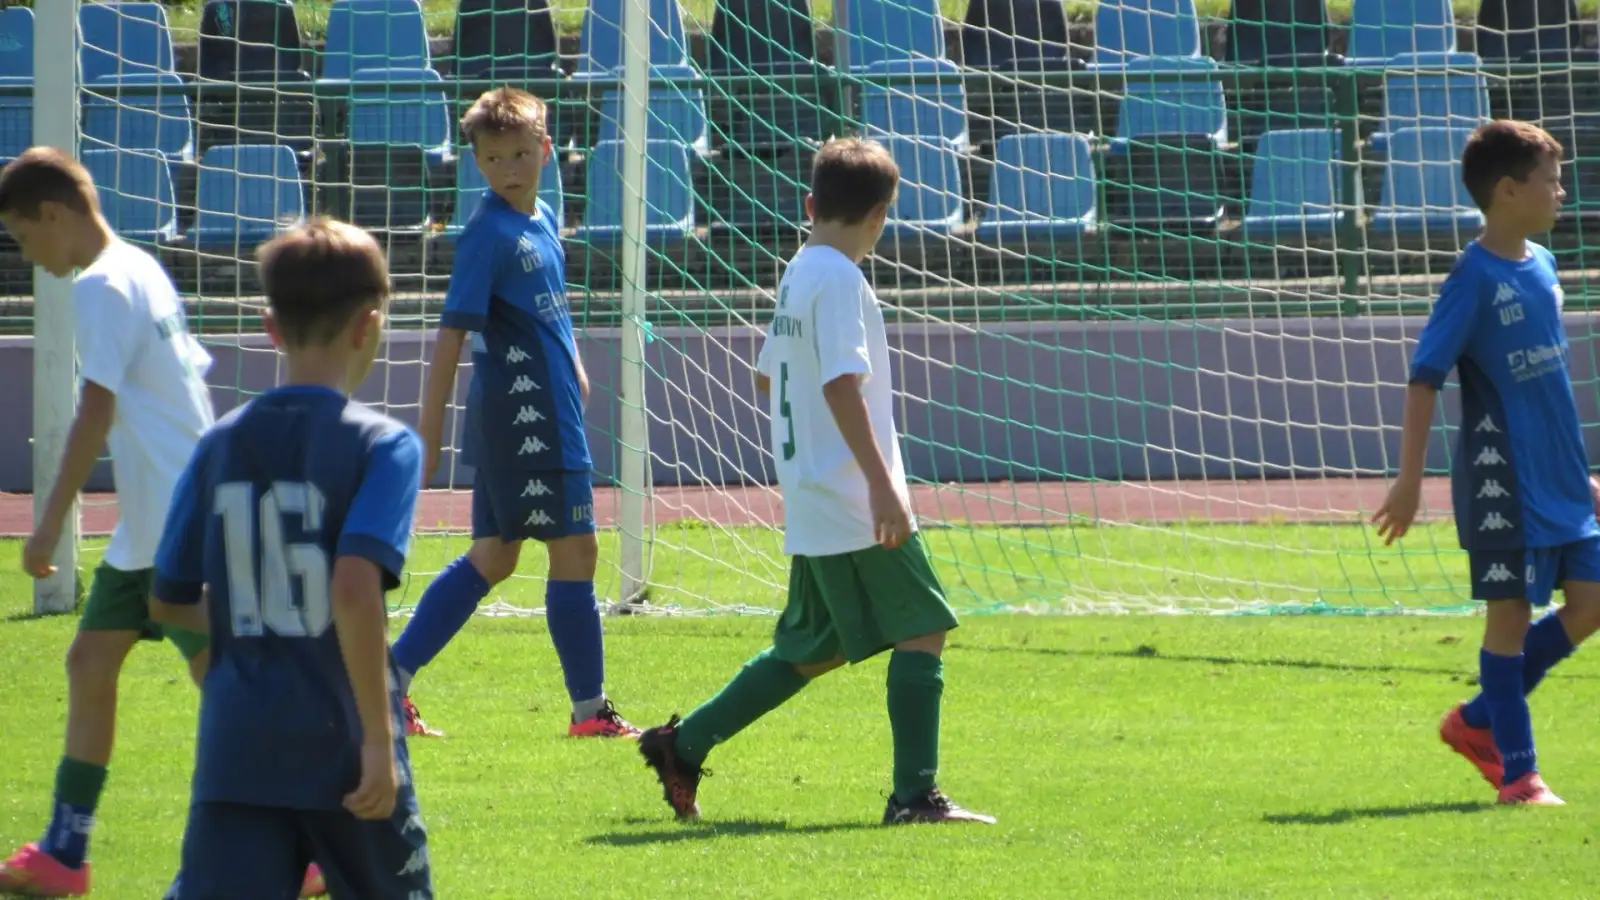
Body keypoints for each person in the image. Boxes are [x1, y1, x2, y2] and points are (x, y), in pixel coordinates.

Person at [636, 137, 994, 825]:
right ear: (880, 216)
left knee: (814, 647)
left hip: (811, 492)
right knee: (924, 627)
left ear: (810, 205)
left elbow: (767, 375)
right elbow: (838, 384)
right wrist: (883, 486)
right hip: (850, 495)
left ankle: (683, 744)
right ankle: (913, 797)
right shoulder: (840, 279)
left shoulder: (801, 269)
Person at [0, 148, 320, 897]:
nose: (26, 256)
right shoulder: (139, 266)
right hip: (159, 520)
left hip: (177, 520)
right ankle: (65, 853)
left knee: (225, 680)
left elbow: (96, 409)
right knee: (93, 663)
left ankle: (306, 847)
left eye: (22, 237)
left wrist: (49, 523)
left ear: (53, 215)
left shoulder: (101, 286)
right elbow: (185, 383)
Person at [150, 218, 432, 898]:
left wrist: (230, 654)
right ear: (369, 325)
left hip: (237, 747)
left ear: (270, 327)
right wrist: (377, 737)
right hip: (345, 745)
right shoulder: (384, 446)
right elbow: (353, 586)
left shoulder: (219, 443)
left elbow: (167, 597)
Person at [391, 86, 636, 740]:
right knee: (576, 548)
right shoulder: (487, 235)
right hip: (527, 413)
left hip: (544, 404)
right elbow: (451, 333)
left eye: (521, 154)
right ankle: (590, 710)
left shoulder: (542, 216)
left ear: (546, 150)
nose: (509, 169)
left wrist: (574, 361)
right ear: (476, 161)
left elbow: (549, 303)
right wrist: (428, 433)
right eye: (494, 158)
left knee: (495, 556)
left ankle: (391, 679)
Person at [1374, 119, 1600, 806]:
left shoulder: (1545, 266)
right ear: (1507, 190)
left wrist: (1578, 472)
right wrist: (1409, 482)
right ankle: (1519, 775)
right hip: (1504, 479)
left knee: (1592, 603)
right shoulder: (1471, 279)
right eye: (1550, 181)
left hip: (1560, 479)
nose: (1561, 192)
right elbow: (1424, 379)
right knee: (1509, 615)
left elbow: (1546, 388)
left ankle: (1477, 719)